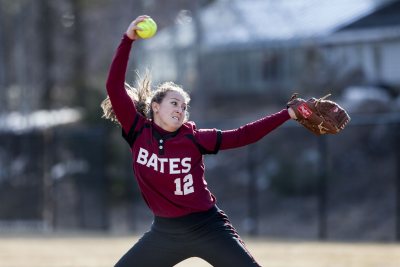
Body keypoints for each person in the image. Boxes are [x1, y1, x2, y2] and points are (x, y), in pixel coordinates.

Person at [102, 15, 297, 267]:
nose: (180, 109)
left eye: (184, 106)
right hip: (164, 233)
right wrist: (127, 40)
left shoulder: (194, 139)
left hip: (207, 227)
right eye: (174, 103)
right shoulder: (138, 131)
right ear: (155, 107)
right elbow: (114, 87)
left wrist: (288, 114)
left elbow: (243, 135)